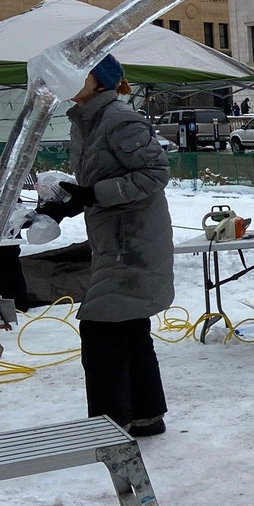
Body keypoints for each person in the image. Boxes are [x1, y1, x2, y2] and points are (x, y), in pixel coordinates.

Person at [40, 55, 174, 436]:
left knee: (100, 329)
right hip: (114, 240)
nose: (68, 77)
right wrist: (70, 202)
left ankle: (109, 428)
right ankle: (146, 416)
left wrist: (93, 195)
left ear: (99, 81)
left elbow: (156, 173)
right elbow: (99, 181)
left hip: (133, 243)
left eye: (79, 71)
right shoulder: (87, 122)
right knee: (129, 325)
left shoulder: (119, 119)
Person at [0, 150, 30, 311]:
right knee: (10, 264)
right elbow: (16, 202)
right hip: (8, 229)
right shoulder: (3, 175)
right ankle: (18, 303)